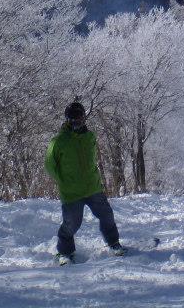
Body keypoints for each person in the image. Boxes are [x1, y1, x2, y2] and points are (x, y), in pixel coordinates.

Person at [45, 101, 126, 265]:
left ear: (84, 118)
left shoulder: (90, 137)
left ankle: (114, 244)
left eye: (79, 116)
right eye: (73, 117)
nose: (77, 120)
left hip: (93, 187)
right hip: (71, 193)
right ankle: (64, 253)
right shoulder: (58, 141)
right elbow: (49, 165)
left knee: (107, 216)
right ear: (67, 119)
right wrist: (63, 181)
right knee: (72, 224)